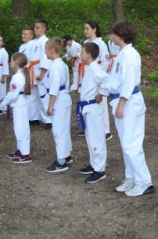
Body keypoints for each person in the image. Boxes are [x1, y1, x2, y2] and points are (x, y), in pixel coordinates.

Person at [103, 21, 154, 197]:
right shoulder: (122, 54)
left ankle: (144, 181)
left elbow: (129, 81)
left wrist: (122, 103)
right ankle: (131, 177)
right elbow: (115, 79)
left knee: (132, 143)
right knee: (126, 143)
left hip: (129, 102)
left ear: (122, 35)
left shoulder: (130, 55)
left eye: (113, 33)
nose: (111, 36)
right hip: (121, 100)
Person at [76, 42, 108, 184]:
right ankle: (94, 163)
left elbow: (107, 80)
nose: (80, 55)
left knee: (96, 138)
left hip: (93, 107)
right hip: (87, 107)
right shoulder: (89, 68)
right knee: (90, 137)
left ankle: (100, 170)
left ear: (89, 55)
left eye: (82, 52)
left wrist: (101, 93)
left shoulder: (95, 68)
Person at [44, 38, 74, 172]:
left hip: (59, 99)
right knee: (64, 128)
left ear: (51, 50)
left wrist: (50, 105)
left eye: (46, 50)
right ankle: (66, 155)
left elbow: (55, 86)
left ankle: (61, 161)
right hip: (64, 97)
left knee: (58, 130)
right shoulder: (62, 64)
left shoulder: (55, 66)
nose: (45, 52)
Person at [0, 52, 32, 163]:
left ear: (16, 61)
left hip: (19, 104)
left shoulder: (17, 77)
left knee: (20, 129)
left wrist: (2, 104)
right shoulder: (22, 74)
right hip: (21, 103)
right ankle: (21, 149)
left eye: (11, 60)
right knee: (20, 128)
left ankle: (25, 154)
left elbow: (12, 94)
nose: (10, 62)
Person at [82, 21, 111, 140]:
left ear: (94, 29)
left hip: (97, 77)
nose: (85, 31)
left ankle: (105, 130)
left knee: (100, 102)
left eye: (87, 28)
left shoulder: (101, 44)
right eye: (84, 29)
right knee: (87, 100)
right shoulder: (85, 43)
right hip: (87, 75)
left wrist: (96, 73)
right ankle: (87, 127)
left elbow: (106, 62)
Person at [32, 19, 51, 126]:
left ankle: (48, 120)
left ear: (43, 29)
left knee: (43, 95)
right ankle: (37, 117)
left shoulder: (45, 41)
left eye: (37, 27)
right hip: (34, 70)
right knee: (36, 96)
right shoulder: (35, 41)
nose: (35, 29)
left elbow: (45, 58)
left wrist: (42, 73)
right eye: (35, 27)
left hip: (41, 72)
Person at [0, 35, 10, 114]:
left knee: (1, 91)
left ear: (3, 43)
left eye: (0, 41)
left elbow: (5, 65)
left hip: (1, 72)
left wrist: (4, 76)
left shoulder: (4, 52)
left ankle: (2, 107)